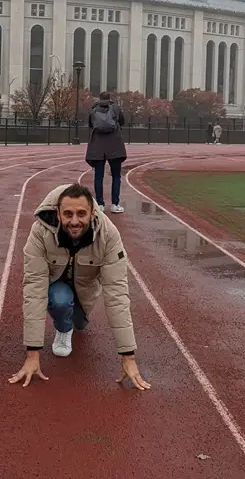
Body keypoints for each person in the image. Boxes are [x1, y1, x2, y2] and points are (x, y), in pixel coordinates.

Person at [10, 183, 150, 390]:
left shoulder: (108, 236)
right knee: (59, 300)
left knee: (81, 324)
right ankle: (64, 329)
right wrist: (32, 354)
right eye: (68, 214)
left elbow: (117, 294)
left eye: (81, 214)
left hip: (86, 290)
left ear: (93, 213)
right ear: (58, 214)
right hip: (56, 286)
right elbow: (34, 288)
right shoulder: (40, 232)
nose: (74, 221)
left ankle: (77, 317)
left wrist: (128, 357)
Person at [85, 91, 126, 213]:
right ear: (109, 99)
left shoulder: (93, 110)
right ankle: (115, 204)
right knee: (116, 176)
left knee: (98, 177)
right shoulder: (116, 109)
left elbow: (91, 125)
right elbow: (122, 122)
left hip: (98, 147)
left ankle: (100, 204)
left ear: (99, 98)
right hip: (114, 146)